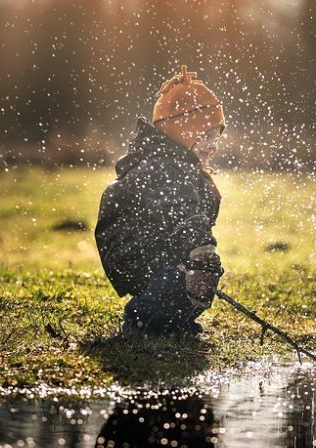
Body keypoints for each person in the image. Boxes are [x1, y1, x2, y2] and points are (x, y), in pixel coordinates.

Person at [95, 65, 225, 337]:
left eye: (216, 137)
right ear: (183, 131)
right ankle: (143, 320)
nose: (212, 145)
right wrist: (201, 250)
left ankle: (176, 323)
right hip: (136, 249)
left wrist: (201, 258)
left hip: (160, 246)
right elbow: (181, 210)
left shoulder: (188, 170)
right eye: (205, 136)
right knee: (186, 272)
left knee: (198, 277)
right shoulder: (164, 166)